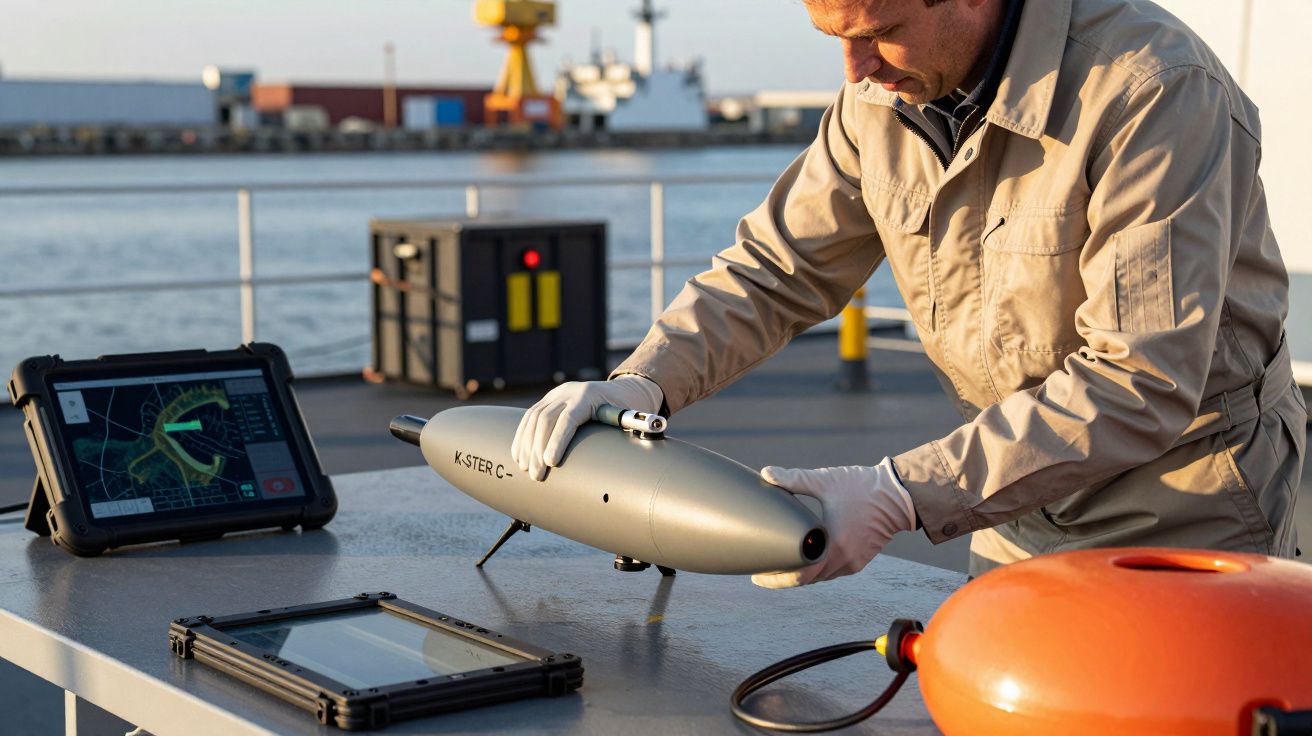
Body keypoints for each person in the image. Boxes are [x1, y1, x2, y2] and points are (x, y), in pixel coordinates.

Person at [512, 0, 1305, 583]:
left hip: (1185, 512)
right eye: (834, 38)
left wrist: (900, 492)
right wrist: (642, 381)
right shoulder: (879, 99)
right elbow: (775, 269)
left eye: (877, 32)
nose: (854, 71)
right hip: (1013, 501)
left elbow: (1140, 381)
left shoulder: (1152, 91)